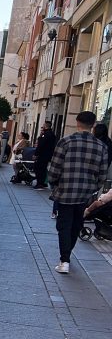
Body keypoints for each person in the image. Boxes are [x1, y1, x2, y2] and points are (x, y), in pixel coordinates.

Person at [48, 111, 108, 274]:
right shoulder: (101, 146)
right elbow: (103, 174)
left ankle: (64, 259)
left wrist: (54, 183)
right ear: (93, 124)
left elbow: (54, 169)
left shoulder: (65, 142)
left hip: (65, 190)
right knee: (76, 224)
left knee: (64, 225)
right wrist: (93, 187)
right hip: (85, 193)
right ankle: (67, 256)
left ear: (77, 122)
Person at [34, 121, 57, 190]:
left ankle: (40, 183)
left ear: (46, 126)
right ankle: (43, 183)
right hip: (49, 154)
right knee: (43, 168)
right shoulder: (52, 134)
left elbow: (41, 145)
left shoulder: (45, 134)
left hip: (42, 155)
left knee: (38, 168)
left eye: (43, 125)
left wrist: (36, 154)